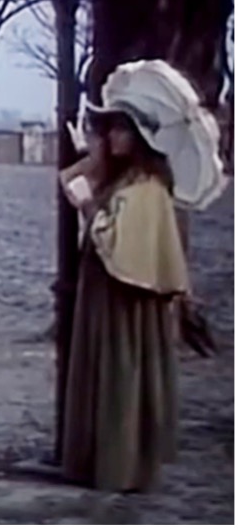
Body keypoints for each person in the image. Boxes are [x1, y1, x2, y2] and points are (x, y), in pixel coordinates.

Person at [58, 102, 188, 492]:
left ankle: (123, 464)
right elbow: (83, 188)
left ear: (140, 138)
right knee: (102, 370)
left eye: (120, 131)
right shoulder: (125, 179)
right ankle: (94, 459)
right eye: (109, 130)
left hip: (126, 298)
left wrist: (87, 207)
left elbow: (117, 238)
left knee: (122, 373)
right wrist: (90, 158)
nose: (112, 137)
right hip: (104, 292)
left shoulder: (147, 186)